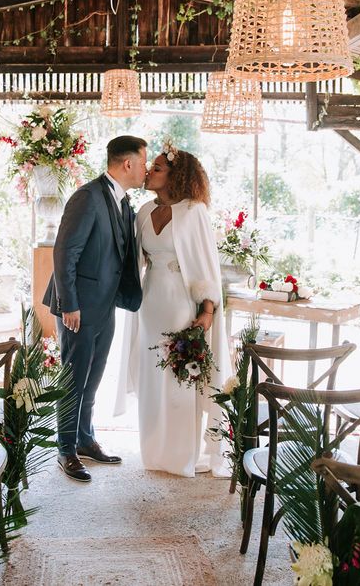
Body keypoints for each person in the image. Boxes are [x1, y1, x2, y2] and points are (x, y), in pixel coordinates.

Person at [115, 142, 229, 478]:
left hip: (181, 303)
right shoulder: (144, 212)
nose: (149, 171)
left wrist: (207, 311)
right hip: (150, 303)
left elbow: (207, 267)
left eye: (158, 168)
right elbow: (133, 260)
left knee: (181, 377)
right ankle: (154, 452)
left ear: (175, 176)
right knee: (152, 377)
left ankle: (182, 456)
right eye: (151, 167)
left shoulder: (194, 211)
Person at [43, 135, 147, 482]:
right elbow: (64, 252)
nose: (146, 170)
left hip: (105, 307)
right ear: (127, 164)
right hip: (80, 308)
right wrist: (69, 304)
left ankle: (85, 439)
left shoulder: (122, 201)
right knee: (73, 379)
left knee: (94, 377)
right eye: (143, 162)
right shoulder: (87, 197)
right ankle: (66, 449)